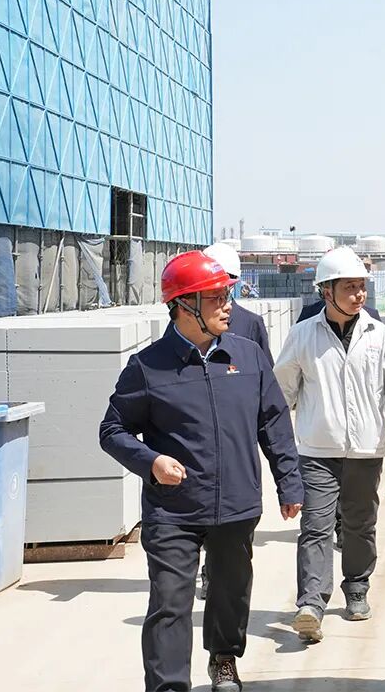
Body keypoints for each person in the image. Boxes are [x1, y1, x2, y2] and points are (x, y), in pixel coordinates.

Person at [99, 251, 303, 692]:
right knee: (170, 603)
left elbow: (273, 422)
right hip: (173, 510)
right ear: (184, 305)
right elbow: (112, 430)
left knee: (231, 591)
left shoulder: (247, 356)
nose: (228, 305)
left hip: (236, 502)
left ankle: (224, 658)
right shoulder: (147, 367)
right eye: (216, 298)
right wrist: (150, 462)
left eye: (227, 295)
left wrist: (289, 481)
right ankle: (169, 685)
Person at [274, 247, 385, 643]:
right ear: (326, 292)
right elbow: (283, 391)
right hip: (317, 450)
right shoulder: (303, 335)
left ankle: (357, 588)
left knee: (361, 525)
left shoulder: (379, 335)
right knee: (315, 526)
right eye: (349, 287)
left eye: (361, 287)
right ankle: (311, 604)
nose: (359, 294)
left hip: (366, 450)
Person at [192, 243, 274, 601]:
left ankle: (227, 574)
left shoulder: (250, 324)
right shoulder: (190, 320)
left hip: (239, 434)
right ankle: (210, 572)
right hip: (202, 434)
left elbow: (265, 381)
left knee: (238, 514)